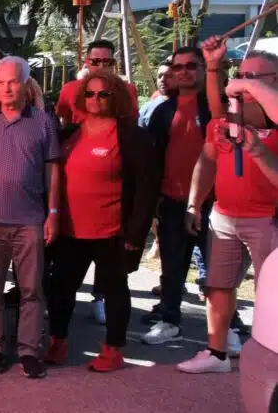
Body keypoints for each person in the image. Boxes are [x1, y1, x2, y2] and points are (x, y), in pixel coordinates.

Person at [46, 72, 160, 373]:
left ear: (116, 98)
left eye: (103, 94)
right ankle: (57, 342)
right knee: (61, 290)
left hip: (112, 232)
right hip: (70, 231)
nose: (95, 100)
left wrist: (135, 234)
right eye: (90, 94)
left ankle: (113, 350)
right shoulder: (69, 133)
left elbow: (147, 189)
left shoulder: (131, 136)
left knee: (115, 291)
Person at [176, 45, 278, 374]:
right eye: (241, 76)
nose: (243, 84)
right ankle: (216, 353)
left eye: (253, 77)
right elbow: (207, 160)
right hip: (224, 216)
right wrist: (194, 202)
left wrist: (260, 151)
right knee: (218, 286)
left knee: (271, 292)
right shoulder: (224, 121)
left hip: (268, 219)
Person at [0, 57, 61, 379]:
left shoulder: (43, 122)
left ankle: (28, 350)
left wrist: (53, 213)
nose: (6, 87)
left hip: (30, 219)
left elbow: (52, 170)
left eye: (13, 81)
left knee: (31, 289)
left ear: (26, 83)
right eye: (0, 82)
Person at [139, 46, 210, 345]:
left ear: (204, 68)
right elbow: (152, 159)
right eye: (177, 67)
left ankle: (228, 327)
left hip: (214, 203)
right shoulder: (163, 110)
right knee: (172, 267)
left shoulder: (217, 108)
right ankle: (170, 320)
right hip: (171, 202)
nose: (183, 72)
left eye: (190, 66)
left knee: (218, 271)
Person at [58, 41, 140, 125]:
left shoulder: (128, 90)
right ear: (87, 62)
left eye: (107, 62)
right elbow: (65, 124)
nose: (101, 66)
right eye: (95, 61)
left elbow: (133, 123)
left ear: (113, 63)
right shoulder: (69, 89)